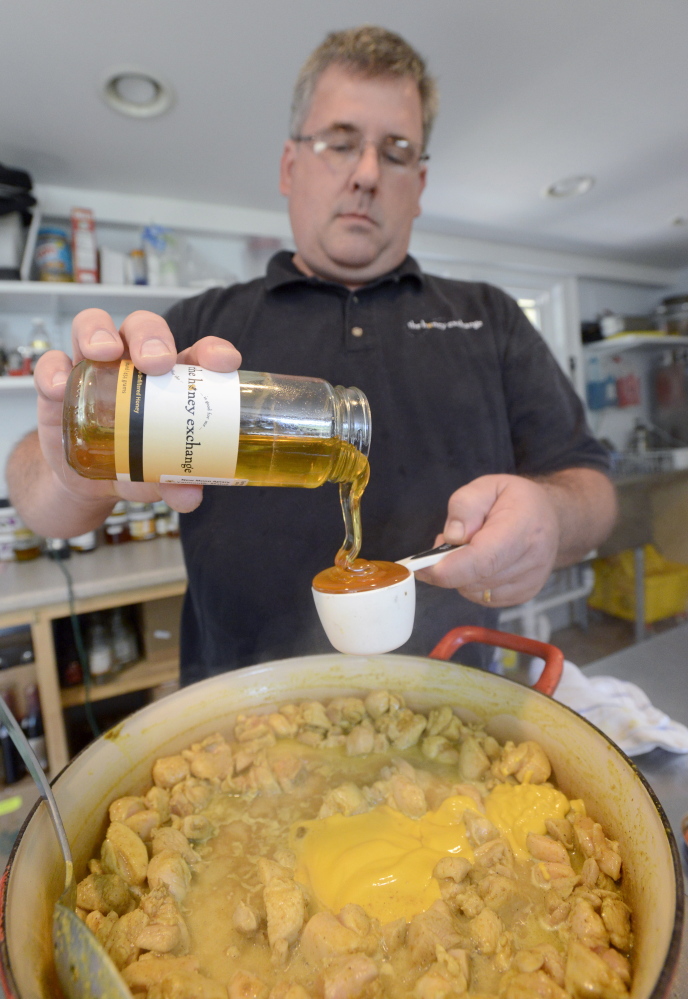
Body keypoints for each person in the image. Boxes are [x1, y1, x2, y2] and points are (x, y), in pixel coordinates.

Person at [7, 26, 616, 683]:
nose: (366, 173)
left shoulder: (490, 316)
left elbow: (595, 491)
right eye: (340, 141)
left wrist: (551, 515)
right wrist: (70, 472)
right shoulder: (198, 333)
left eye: (397, 150)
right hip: (237, 728)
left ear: (421, 182)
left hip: (456, 704)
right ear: (290, 166)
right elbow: (37, 498)